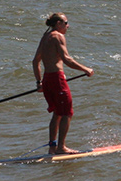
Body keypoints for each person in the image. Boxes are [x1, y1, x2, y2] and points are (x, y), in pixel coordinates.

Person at [32, 13, 93, 154]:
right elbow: (67, 59)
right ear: (58, 23)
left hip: (47, 79)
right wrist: (86, 69)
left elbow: (35, 61)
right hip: (57, 79)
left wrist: (39, 82)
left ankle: (52, 147)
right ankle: (61, 148)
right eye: (66, 23)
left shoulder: (45, 37)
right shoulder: (58, 36)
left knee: (57, 113)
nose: (68, 26)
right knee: (67, 113)